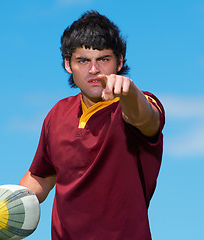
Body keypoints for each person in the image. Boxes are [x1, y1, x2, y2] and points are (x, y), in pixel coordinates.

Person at [19, 10, 165, 240]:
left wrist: (128, 92)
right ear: (68, 64)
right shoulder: (57, 113)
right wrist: (10, 200)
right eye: (83, 61)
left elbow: (144, 119)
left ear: (120, 61)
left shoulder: (140, 102)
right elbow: (43, 176)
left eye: (103, 59)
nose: (94, 70)